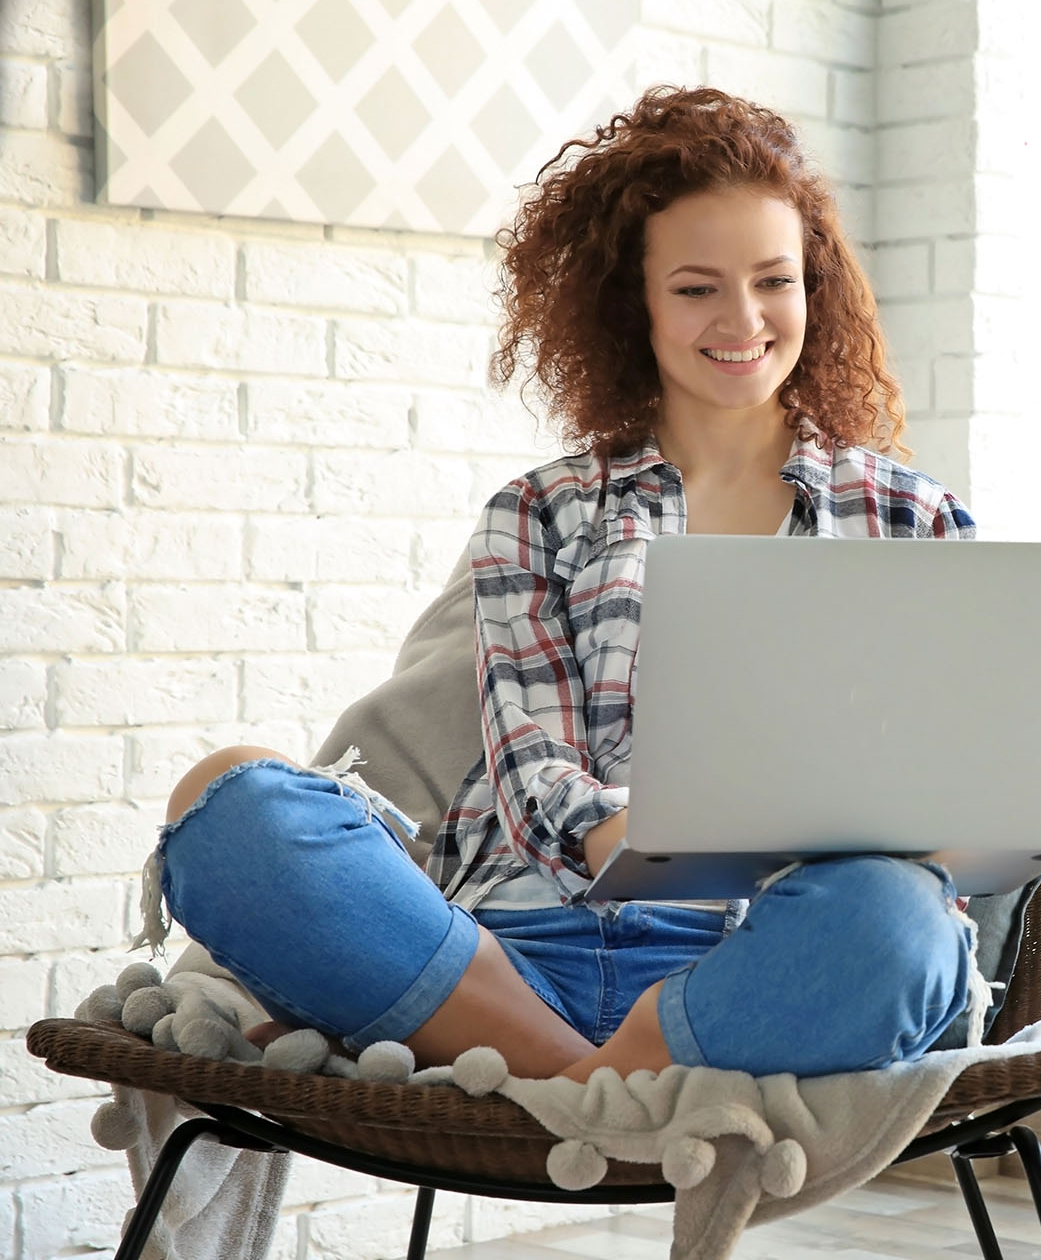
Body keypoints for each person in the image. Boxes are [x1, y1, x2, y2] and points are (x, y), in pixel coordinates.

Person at [152, 86, 980, 1083]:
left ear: (815, 286)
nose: (745, 318)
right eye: (696, 287)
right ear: (634, 302)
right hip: (512, 954)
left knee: (903, 923)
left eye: (775, 279)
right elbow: (534, 761)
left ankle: (580, 1081)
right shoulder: (538, 512)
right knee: (226, 802)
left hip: (764, 958)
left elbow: (945, 789)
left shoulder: (911, 517)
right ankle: (604, 1084)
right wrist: (626, 835)